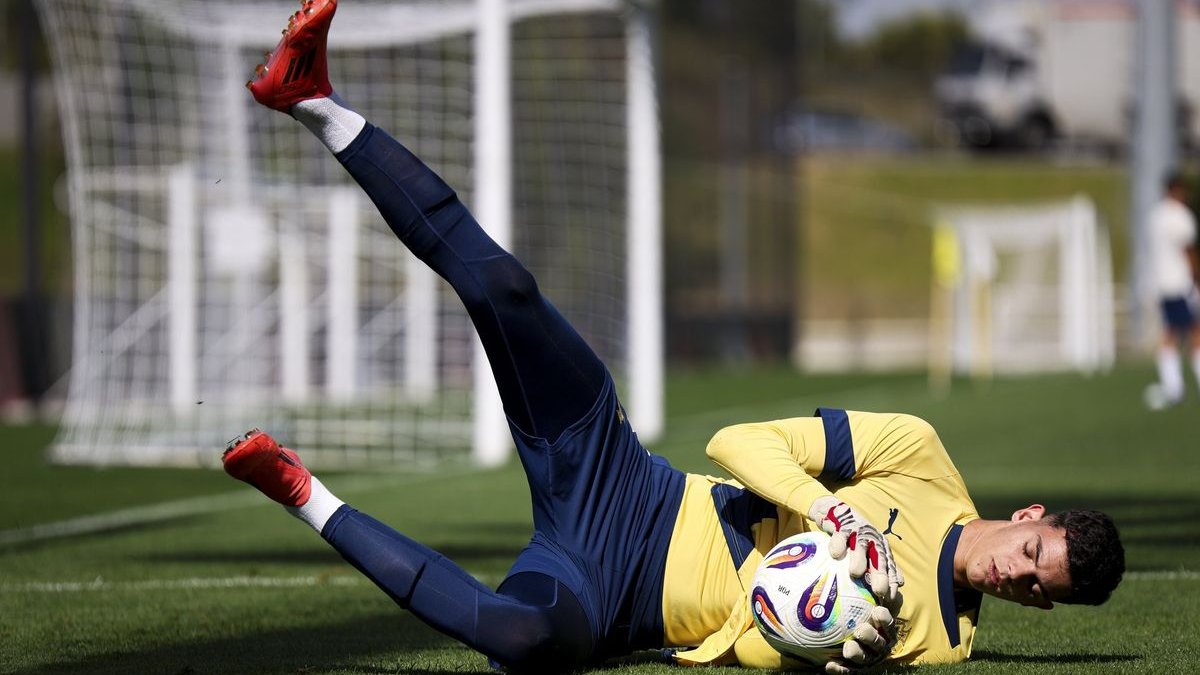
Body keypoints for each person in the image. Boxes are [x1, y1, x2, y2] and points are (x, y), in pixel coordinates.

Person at [226, 1, 1126, 672]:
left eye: (1035, 588)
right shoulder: (920, 457)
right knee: (507, 290)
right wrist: (832, 514)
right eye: (1032, 555)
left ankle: (301, 491)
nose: (1015, 575)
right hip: (630, 483)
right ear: (1031, 516)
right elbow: (735, 443)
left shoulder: (940, 642)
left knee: (520, 638)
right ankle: (313, 99)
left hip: (612, 600)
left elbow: (758, 641)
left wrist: (822, 641)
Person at [1144, 171, 1200, 410]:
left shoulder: (1155, 216)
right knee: (1196, 332)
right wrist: (1196, 277)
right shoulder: (1180, 216)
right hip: (1181, 283)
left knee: (1170, 334)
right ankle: (1175, 388)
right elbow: (1187, 250)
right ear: (1177, 190)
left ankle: (1173, 386)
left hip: (1162, 284)